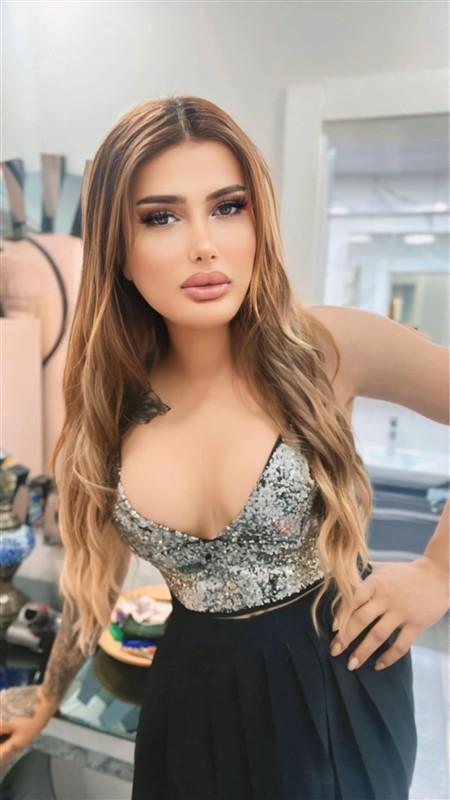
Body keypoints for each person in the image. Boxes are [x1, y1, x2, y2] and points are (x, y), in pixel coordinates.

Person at [1, 95, 448, 800]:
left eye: (228, 207)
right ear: (118, 249)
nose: (204, 244)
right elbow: (93, 580)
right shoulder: (109, 401)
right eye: (161, 217)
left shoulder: (326, 348)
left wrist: (438, 573)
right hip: (193, 693)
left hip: (336, 678)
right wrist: (46, 698)